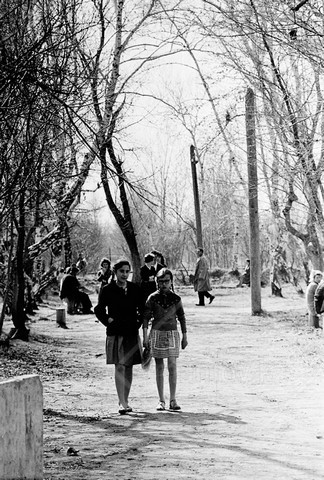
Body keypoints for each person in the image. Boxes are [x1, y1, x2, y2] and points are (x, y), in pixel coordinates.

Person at [94, 259, 144, 414]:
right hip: (115, 333)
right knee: (120, 365)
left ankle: (125, 399)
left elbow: (142, 309)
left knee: (128, 366)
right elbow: (99, 309)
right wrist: (109, 321)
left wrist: (138, 323)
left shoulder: (135, 289)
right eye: (121, 271)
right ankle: (121, 401)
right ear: (115, 272)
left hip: (131, 332)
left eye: (127, 271)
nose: (124, 274)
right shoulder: (107, 289)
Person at [143, 268, 188, 411]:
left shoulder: (176, 299)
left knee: (172, 366)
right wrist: (145, 336)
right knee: (159, 366)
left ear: (171, 282)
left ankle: (173, 400)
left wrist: (185, 336)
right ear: (157, 282)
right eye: (161, 281)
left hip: (172, 333)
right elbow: (145, 317)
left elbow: (181, 317)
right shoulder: (152, 298)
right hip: (157, 334)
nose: (163, 284)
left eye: (166, 281)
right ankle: (161, 400)